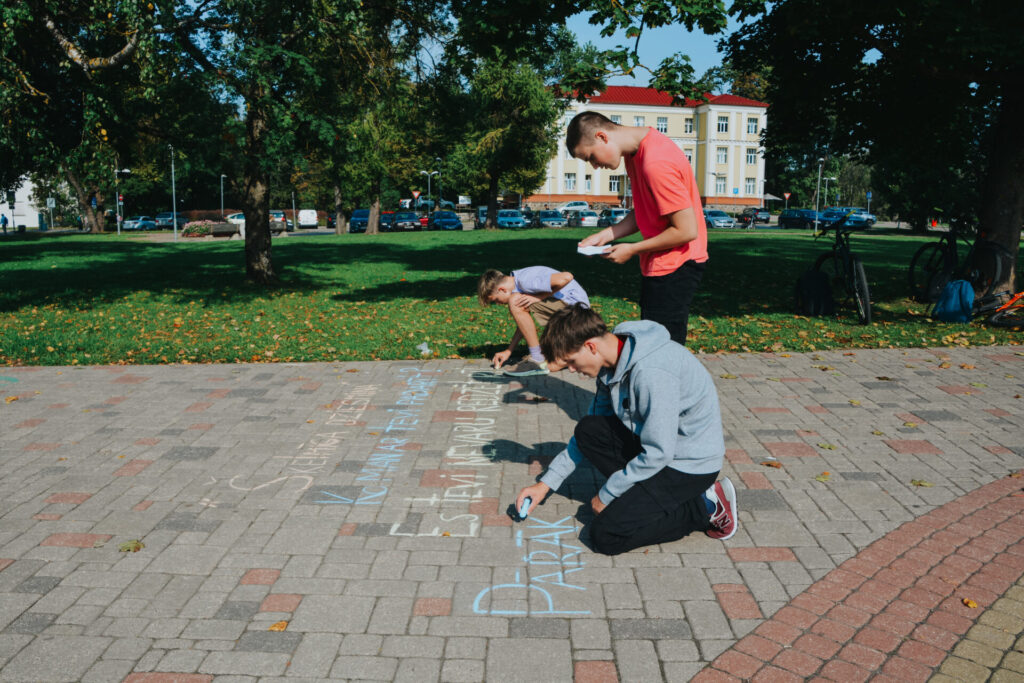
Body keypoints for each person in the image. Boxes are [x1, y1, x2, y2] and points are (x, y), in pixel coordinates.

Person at [515, 304, 735, 555]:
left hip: (687, 465)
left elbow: (658, 453)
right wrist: (544, 485)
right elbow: (591, 428)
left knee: (606, 535)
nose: (572, 370)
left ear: (590, 346)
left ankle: (704, 506)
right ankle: (644, 498)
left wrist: (608, 494)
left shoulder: (652, 372)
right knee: (589, 429)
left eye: (572, 362)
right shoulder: (612, 362)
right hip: (658, 451)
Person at [568, 111, 708, 345]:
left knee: (663, 350)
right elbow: (647, 208)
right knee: (652, 344)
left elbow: (686, 230)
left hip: (678, 264)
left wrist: (632, 249)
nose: (594, 166)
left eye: (591, 157)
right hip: (661, 263)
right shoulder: (635, 155)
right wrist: (606, 234)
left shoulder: (655, 162)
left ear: (602, 137)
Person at [477, 266, 590, 377]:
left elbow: (567, 276)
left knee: (515, 301)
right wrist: (509, 351)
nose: (498, 304)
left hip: (579, 316)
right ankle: (577, 350)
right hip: (573, 318)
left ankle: (537, 358)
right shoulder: (518, 282)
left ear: (502, 289)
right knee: (551, 366)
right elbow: (524, 324)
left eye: (495, 300)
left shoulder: (524, 280)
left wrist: (539, 297)